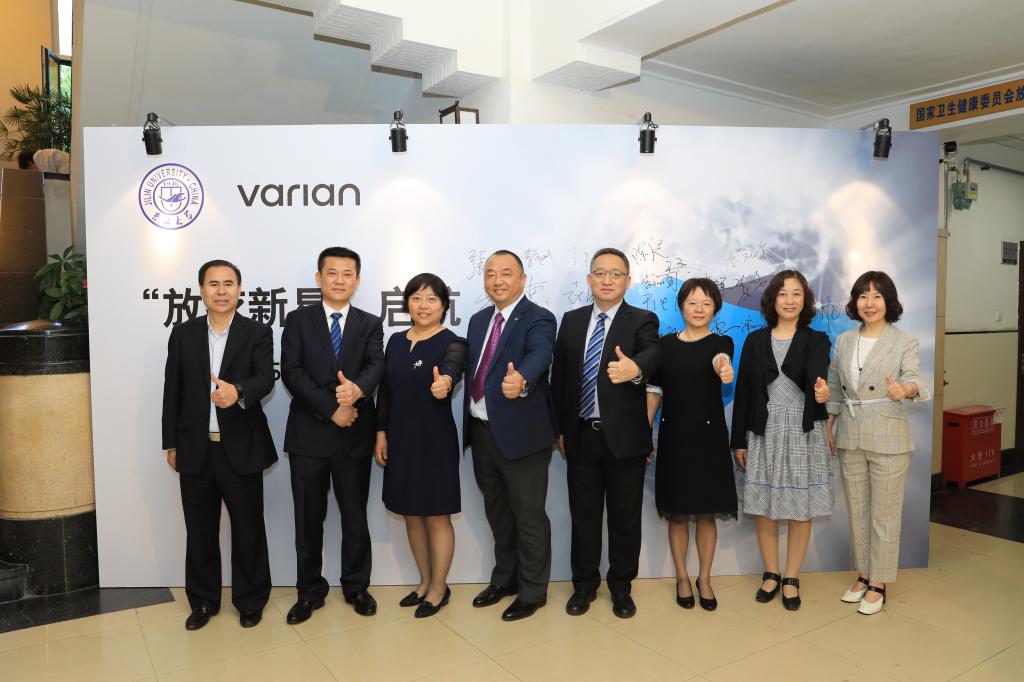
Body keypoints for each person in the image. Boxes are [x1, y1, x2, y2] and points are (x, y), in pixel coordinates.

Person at [161, 259, 277, 630]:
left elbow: (265, 379)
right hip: (195, 449)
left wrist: (237, 391)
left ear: (239, 290)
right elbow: (171, 390)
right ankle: (203, 602)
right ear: (201, 290)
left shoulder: (257, 332)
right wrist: (171, 443)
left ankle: (250, 601)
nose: (221, 291)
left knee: (248, 529)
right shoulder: (184, 334)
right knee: (200, 532)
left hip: (241, 449)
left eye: (229, 283)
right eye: (214, 284)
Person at [551, 247, 661, 619]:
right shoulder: (571, 320)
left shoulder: (642, 319)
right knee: (583, 517)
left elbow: (654, 355)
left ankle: (621, 587)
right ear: (589, 280)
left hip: (625, 438)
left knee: (624, 518)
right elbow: (560, 378)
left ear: (627, 281)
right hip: (581, 434)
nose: (607, 280)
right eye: (600, 273)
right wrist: (560, 428)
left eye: (615, 274)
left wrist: (635, 368)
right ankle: (584, 586)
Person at [280, 246, 385, 623]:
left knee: (355, 517)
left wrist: (357, 391)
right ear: (318, 278)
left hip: (355, 435)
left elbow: (377, 364)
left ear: (357, 281)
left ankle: (357, 586)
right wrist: (331, 408)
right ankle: (309, 592)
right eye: (332, 273)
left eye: (347, 274)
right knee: (307, 520)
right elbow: (292, 372)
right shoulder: (298, 320)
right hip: (309, 436)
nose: (339, 280)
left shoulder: (370, 323)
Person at [826, 271, 930, 615]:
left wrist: (905, 389)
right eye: (863, 296)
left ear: (889, 301)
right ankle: (864, 573)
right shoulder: (844, 341)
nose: (869, 303)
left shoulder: (904, 341)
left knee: (884, 513)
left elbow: (914, 378)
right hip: (851, 434)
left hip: (888, 434)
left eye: (877, 296)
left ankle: (880, 582)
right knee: (857, 509)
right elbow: (835, 385)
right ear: (855, 302)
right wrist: (829, 424)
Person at [464, 249, 558, 621]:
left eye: (506, 273)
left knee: (529, 516)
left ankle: (533, 591)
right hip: (482, 432)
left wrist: (522, 379)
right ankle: (505, 579)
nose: (497, 280)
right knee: (498, 513)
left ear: (522, 279)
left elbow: (540, 354)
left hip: (523, 436)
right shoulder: (478, 321)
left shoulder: (539, 317)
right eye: (490, 273)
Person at [731, 269, 832, 611]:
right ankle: (771, 573)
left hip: (802, 431)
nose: (789, 300)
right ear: (772, 299)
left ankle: (791, 577)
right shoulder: (755, 340)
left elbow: (818, 375)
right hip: (763, 429)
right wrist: (739, 441)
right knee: (764, 508)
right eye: (783, 293)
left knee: (800, 509)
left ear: (806, 300)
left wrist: (822, 392)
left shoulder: (816, 339)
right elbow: (744, 392)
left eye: (796, 294)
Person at [374, 273, 468, 618]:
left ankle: (439, 588)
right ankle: (424, 581)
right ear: (407, 304)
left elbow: (452, 368)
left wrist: (446, 382)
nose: (423, 305)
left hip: (434, 440)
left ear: (444, 305)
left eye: (431, 299)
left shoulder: (453, 342)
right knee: (411, 514)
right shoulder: (396, 341)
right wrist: (381, 432)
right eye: (416, 298)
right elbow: (386, 391)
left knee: (437, 516)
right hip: (400, 438)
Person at [645, 278, 736, 612]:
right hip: (674, 438)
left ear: (715, 309)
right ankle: (683, 577)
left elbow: (720, 360)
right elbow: (654, 391)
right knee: (679, 514)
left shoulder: (721, 342)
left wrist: (724, 369)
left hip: (709, 440)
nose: (699, 309)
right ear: (682, 306)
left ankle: (705, 579)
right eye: (693, 303)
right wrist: (644, 431)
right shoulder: (664, 345)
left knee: (707, 514)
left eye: (706, 303)